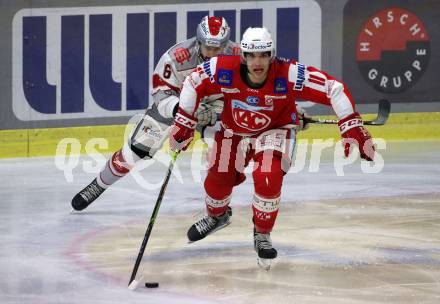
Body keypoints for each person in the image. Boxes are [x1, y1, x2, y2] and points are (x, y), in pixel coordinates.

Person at [169, 27, 375, 269]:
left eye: (264, 55)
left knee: (268, 175)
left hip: (275, 130)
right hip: (234, 130)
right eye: (252, 56)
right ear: (242, 56)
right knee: (218, 175)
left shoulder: (289, 73)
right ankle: (217, 216)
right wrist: (184, 120)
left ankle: (262, 234)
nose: (258, 62)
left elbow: (333, 88)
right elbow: (192, 83)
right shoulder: (222, 68)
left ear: (272, 55)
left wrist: (351, 124)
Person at [71, 16, 240, 211]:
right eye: (208, 48)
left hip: (215, 107)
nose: (212, 54)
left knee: (222, 153)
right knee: (136, 150)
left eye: (217, 49)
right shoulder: (177, 57)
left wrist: (222, 113)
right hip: (176, 105)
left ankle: (218, 208)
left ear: (226, 45)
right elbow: (162, 93)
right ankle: (98, 185)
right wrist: (182, 111)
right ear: (199, 42)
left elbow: (247, 94)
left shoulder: (240, 58)